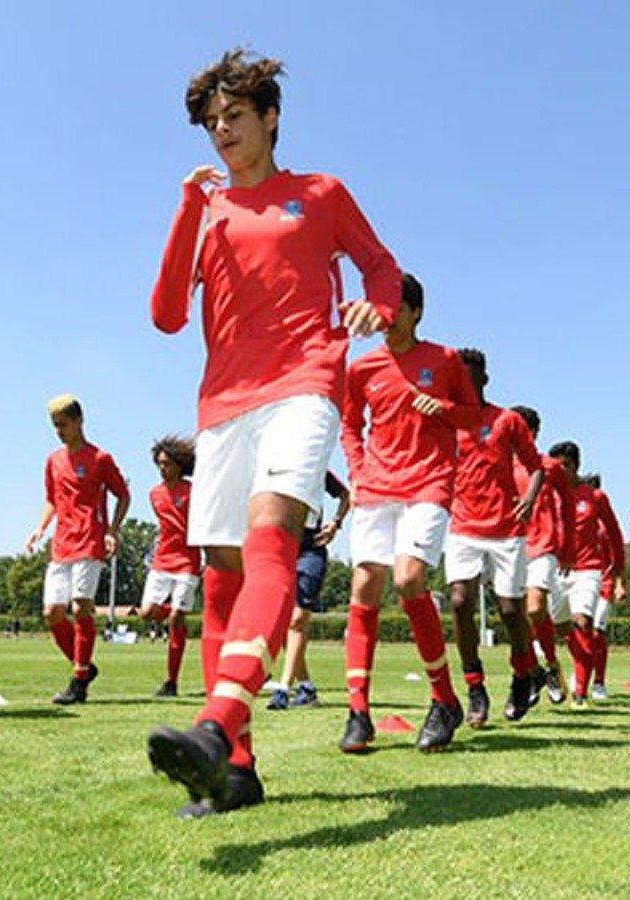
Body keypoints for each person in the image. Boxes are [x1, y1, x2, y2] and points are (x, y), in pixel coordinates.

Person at [144, 48, 400, 816]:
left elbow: (379, 267)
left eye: (235, 117)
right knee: (219, 579)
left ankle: (217, 724)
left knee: (269, 542)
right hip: (221, 403)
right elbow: (164, 315)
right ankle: (237, 770)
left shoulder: (318, 193)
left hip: (303, 384)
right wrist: (188, 209)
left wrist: (375, 309)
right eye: (210, 123)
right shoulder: (207, 209)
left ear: (270, 118)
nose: (221, 133)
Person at [338, 273, 480, 754]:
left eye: (393, 306)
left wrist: (441, 407)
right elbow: (349, 424)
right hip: (377, 487)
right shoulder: (361, 368)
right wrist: (357, 472)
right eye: (378, 305)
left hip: (429, 483)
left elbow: (474, 417)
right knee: (363, 585)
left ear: (416, 312)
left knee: (408, 578)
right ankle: (358, 711)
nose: (384, 315)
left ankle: (443, 700)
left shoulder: (444, 361)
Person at [443, 349, 547, 726]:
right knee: (458, 601)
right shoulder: (447, 420)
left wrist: (530, 500)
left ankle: (523, 675)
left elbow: (536, 467)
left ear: (484, 380)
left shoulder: (507, 420)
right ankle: (474, 686)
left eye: (469, 378)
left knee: (509, 611)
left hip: (505, 530)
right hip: (462, 527)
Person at [24, 394, 130, 704]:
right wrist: (40, 528)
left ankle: (79, 678)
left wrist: (113, 530)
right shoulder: (53, 461)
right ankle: (83, 665)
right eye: (55, 426)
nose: (59, 431)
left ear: (79, 421)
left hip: (90, 539)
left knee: (80, 604)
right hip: (62, 543)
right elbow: (51, 500)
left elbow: (122, 495)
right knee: (52, 612)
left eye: (64, 424)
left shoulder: (100, 459)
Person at [547, 442, 626, 708]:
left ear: (576, 466)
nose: (560, 471)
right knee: (562, 628)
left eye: (565, 465)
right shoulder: (548, 495)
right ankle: (560, 671)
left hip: (588, 570)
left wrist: (618, 570)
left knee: (584, 622)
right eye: (555, 465)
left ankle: (581, 692)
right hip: (555, 570)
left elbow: (614, 533)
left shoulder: (594, 497)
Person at [509, 406, 576, 704]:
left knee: (536, 609)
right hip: (510, 545)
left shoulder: (549, 467)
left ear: (533, 433)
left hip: (543, 544)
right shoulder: (498, 463)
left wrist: (568, 546)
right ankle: (531, 671)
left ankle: (551, 664)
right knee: (516, 616)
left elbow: (568, 506)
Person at [268, 471, 349, 710]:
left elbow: (346, 495)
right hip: (280, 548)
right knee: (284, 622)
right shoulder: (271, 466)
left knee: (298, 618)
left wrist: (335, 524)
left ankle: (283, 688)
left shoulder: (316, 465)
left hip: (311, 550)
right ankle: (306, 687)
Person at [139, 436, 201, 698]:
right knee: (146, 613)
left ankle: (171, 682)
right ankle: (182, 613)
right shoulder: (154, 494)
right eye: (159, 464)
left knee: (175, 618)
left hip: (188, 561)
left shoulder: (193, 491)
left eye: (167, 464)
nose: (162, 468)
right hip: (162, 560)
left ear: (179, 465)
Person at [583, 474, 619, 700]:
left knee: (597, 632)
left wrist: (619, 583)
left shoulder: (604, 528)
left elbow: (616, 557)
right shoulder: (576, 523)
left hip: (604, 583)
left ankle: (599, 682)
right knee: (580, 631)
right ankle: (582, 677)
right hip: (582, 580)